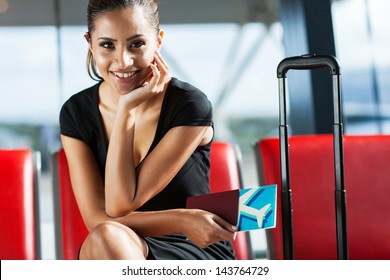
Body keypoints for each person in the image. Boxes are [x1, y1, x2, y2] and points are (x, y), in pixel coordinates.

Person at [59, 0, 237, 260]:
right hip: (122, 242)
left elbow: (120, 204)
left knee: (108, 237)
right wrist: (181, 218)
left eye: (137, 44)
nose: (123, 61)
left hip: (192, 245)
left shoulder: (188, 105)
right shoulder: (76, 113)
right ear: (90, 43)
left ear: (158, 41)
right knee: (106, 237)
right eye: (107, 45)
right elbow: (98, 218)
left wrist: (125, 110)